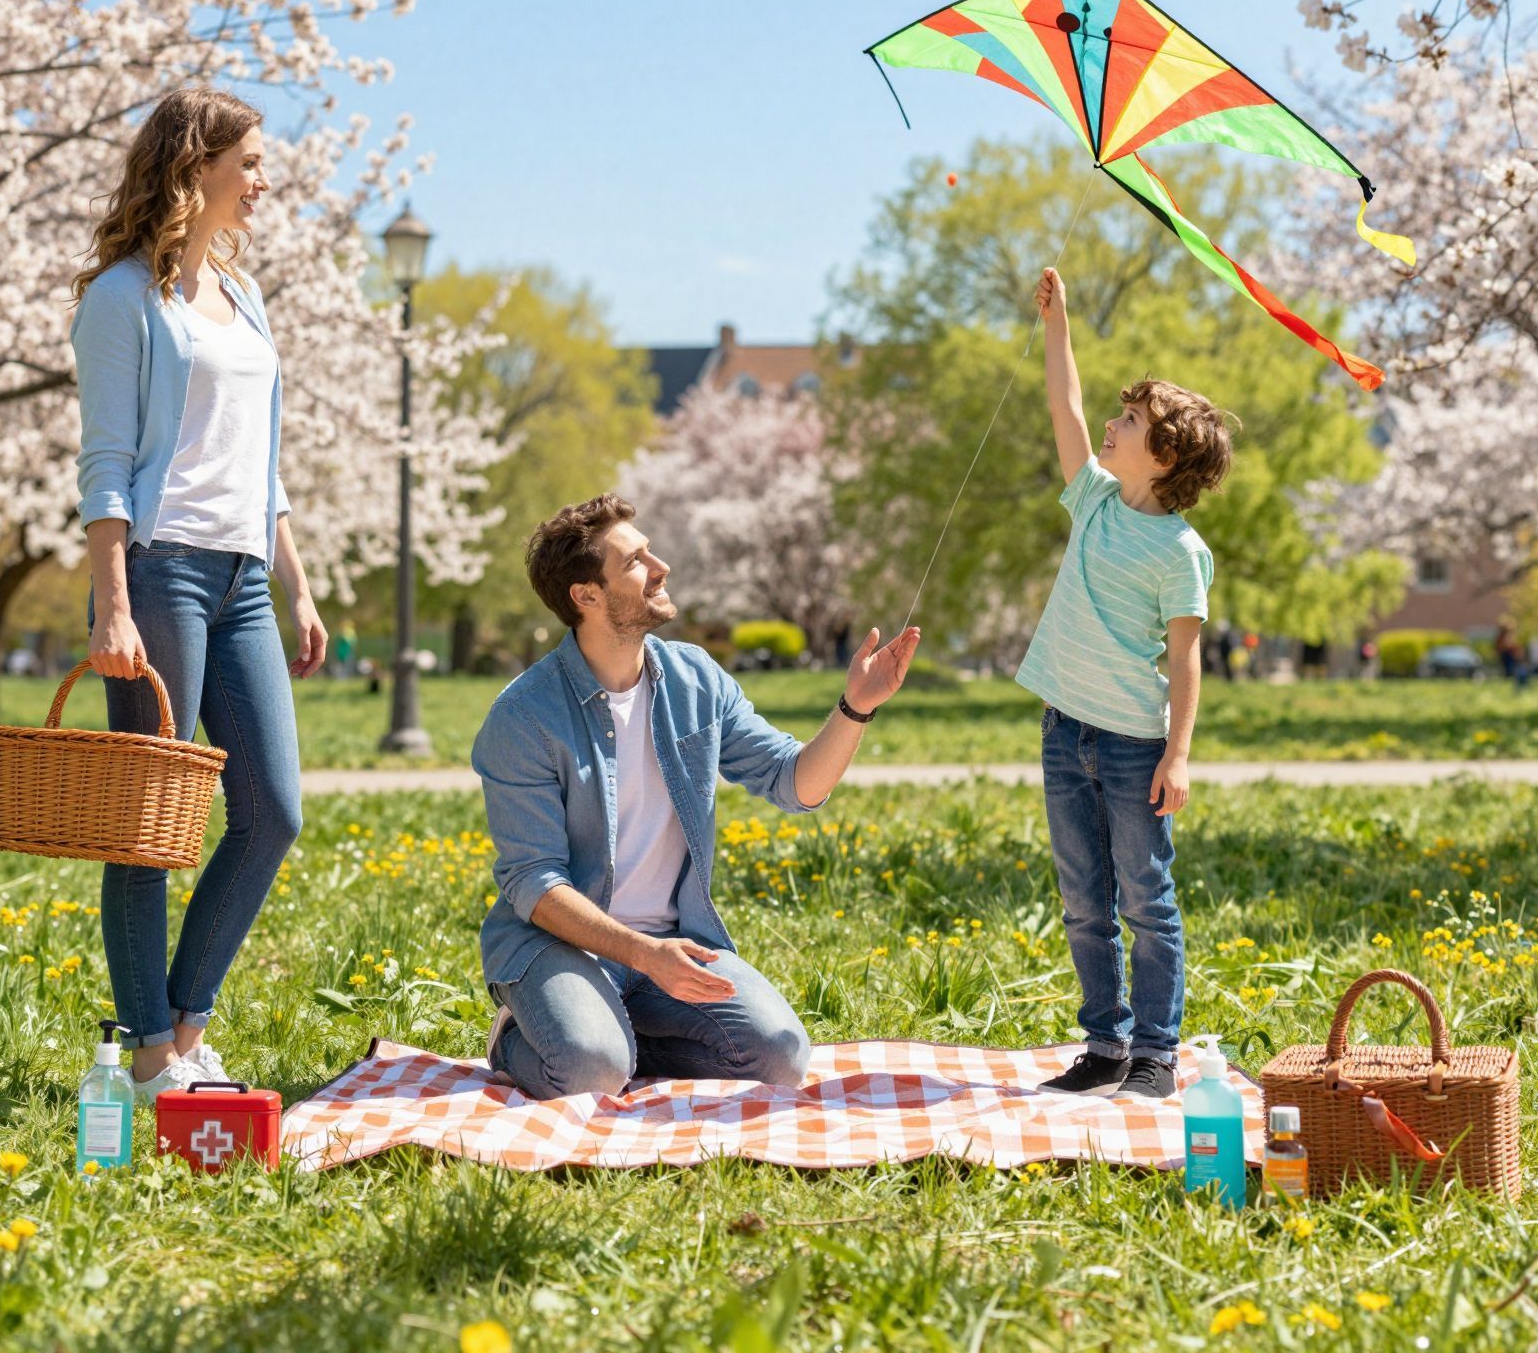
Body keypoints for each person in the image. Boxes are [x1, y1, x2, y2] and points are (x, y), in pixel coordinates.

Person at [473, 493, 919, 1099]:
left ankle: (619, 1040)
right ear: (586, 595)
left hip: (675, 944)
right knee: (589, 1072)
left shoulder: (696, 679)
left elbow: (793, 782)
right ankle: (518, 1038)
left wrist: (856, 707)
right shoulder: (523, 717)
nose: (661, 568)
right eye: (636, 561)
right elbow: (535, 883)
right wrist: (644, 954)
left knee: (780, 1058)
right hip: (560, 946)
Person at [70, 86, 326, 1103]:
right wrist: (113, 602)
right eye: (248, 162)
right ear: (195, 165)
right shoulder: (123, 298)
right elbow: (105, 462)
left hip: (243, 577)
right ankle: (148, 1056)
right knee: (150, 821)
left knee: (272, 811)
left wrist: (297, 585)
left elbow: (260, 465)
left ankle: (184, 1026)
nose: (262, 180)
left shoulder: (243, 294)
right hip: (159, 570)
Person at [1018, 267, 1228, 1101]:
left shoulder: (1182, 553)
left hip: (1135, 746)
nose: (1111, 425)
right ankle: (1104, 1046)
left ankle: (1155, 1054)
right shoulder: (1095, 500)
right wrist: (1058, 322)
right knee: (1082, 901)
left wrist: (1178, 755)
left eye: (1130, 421)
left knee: (1146, 901)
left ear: (1163, 456)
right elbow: (1066, 407)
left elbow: (1186, 659)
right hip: (1063, 733)